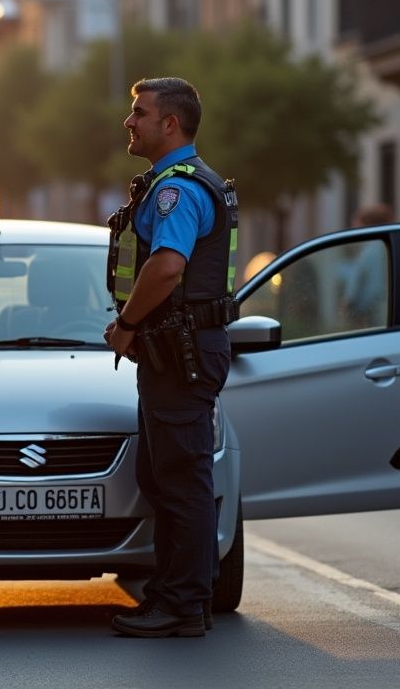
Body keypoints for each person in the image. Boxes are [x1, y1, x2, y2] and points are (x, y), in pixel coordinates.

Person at [104, 77, 238, 637]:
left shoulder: (175, 191)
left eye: (139, 112)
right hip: (173, 354)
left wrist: (127, 324)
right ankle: (176, 596)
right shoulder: (170, 182)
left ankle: (183, 603)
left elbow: (166, 267)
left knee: (181, 480)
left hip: (179, 353)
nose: (129, 121)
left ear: (170, 124)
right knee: (164, 476)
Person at [342, 203, 396, 325]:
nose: (353, 231)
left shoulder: (371, 252)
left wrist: (348, 304)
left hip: (371, 318)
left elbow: (360, 291)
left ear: (367, 226)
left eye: (356, 226)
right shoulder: (382, 248)